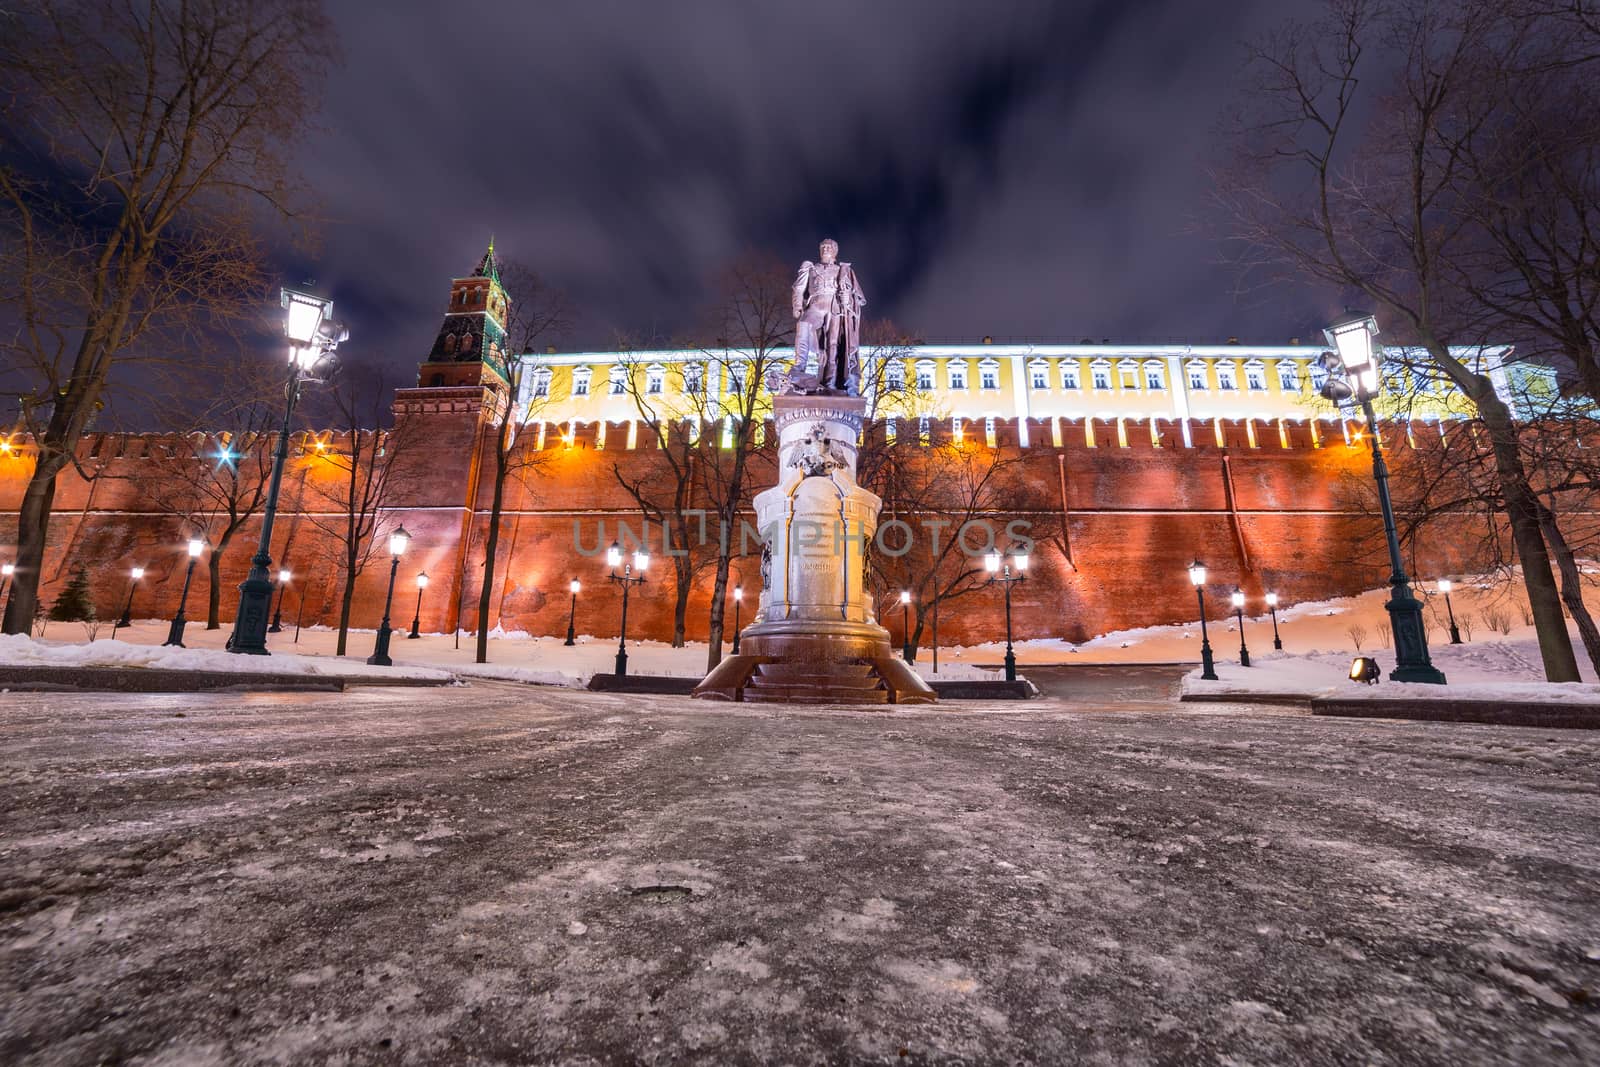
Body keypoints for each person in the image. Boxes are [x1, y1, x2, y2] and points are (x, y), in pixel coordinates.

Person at [787, 238, 866, 394]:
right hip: (815, 305)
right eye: (823, 247)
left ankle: (830, 381)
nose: (825, 249)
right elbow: (798, 288)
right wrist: (797, 306)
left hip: (834, 306)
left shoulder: (843, 270)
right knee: (804, 325)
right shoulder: (810, 268)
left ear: (835, 251)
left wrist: (847, 299)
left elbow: (857, 298)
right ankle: (799, 366)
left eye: (829, 247)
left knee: (833, 344)